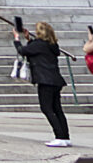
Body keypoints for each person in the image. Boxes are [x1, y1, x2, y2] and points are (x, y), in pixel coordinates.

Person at [15, 19, 72, 147]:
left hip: (45, 80)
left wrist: (17, 39)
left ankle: (59, 136)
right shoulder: (51, 45)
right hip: (55, 80)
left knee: (46, 108)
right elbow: (34, 50)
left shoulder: (39, 44)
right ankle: (65, 136)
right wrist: (29, 39)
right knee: (57, 109)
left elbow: (22, 51)